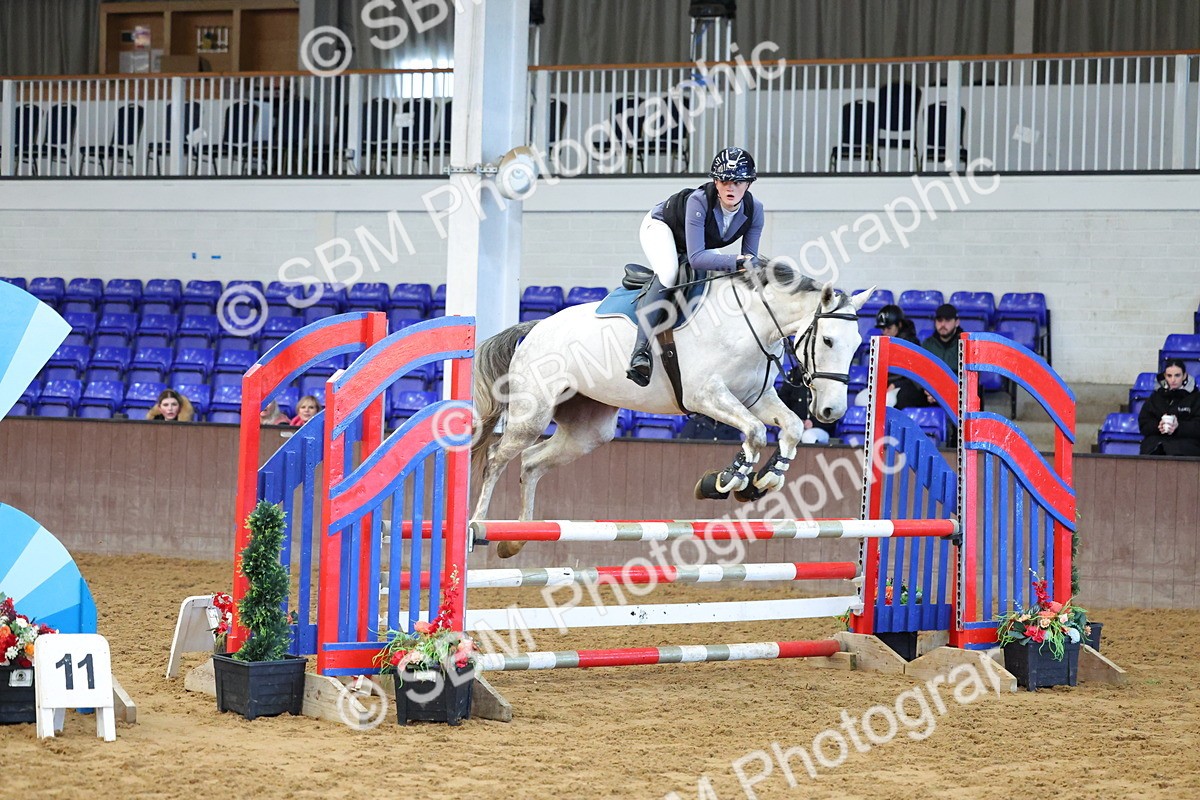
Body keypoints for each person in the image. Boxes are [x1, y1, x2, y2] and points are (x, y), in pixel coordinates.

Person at [626, 146, 765, 386]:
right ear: (715, 181)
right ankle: (640, 352)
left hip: (697, 242)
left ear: (749, 184)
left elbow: (747, 263)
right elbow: (697, 258)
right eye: (724, 180)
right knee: (669, 273)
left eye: (738, 182)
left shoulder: (755, 210)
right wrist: (736, 262)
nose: (730, 187)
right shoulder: (699, 200)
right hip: (661, 227)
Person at [1138, 359, 1200, 457]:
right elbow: (1144, 424)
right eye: (1169, 376)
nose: (1173, 380)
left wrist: (1179, 426)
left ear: (1184, 376)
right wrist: (1158, 426)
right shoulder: (1155, 397)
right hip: (1156, 444)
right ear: (1165, 376)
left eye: (1177, 375)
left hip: (1186, 447)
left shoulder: (1196, 398)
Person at [777, 368, 837, 444]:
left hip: (820, 428)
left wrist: (813, 423)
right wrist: (794, 421)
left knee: (808, 436)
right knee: (784, 435)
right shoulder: (794, 376)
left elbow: (831, 413)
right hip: (795, 425)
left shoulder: (825, 380)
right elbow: (782, 404)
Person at [921, 303, 963, 372]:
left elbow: (971, 377)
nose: (943, 324)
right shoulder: (927, 344)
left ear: (957, 322)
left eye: (947, 320)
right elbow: (918, 372)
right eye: (939, 320)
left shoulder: (965, 345)